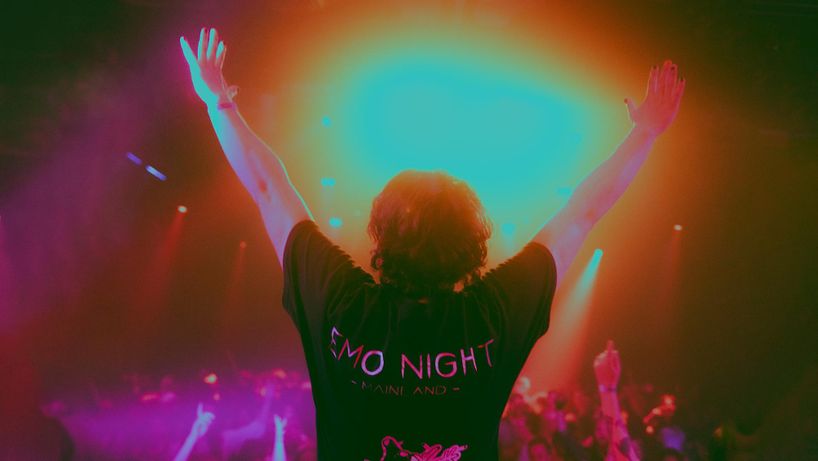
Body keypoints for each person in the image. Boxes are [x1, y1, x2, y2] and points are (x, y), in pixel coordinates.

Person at [180, 27, 684, 461]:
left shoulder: (340, 302)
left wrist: (219, 103)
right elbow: (581, 214)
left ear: (379, 234)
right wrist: (644, 134)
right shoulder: (492, 315)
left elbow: (269, 188)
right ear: (471, 245)